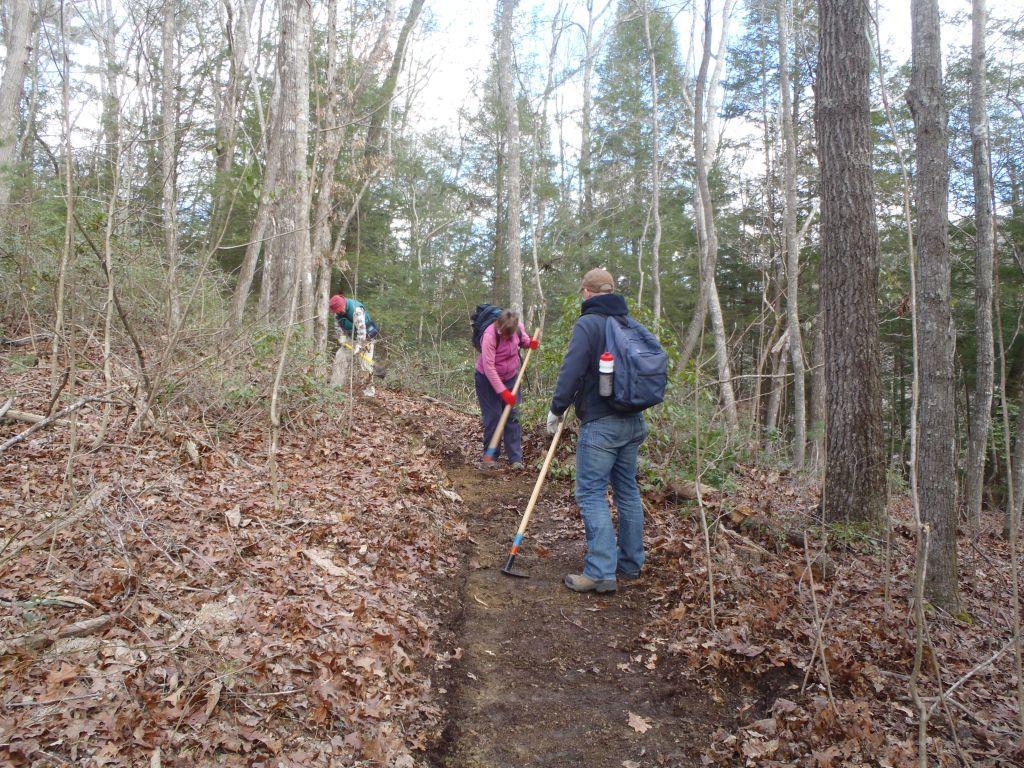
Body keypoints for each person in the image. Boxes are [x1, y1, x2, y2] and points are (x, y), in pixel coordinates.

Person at [547, 268, 648, 594]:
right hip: (633, 421)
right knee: (627, 491)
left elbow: (571, 369)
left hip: (601, 425)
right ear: (612, 291)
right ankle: (630, 564)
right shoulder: (630, 324)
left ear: (587, 293)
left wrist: (557, 408)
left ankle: (601, 571)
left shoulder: (588, 324)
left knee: (591, 493)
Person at [475, 309, 538, 469]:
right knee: (494, 417)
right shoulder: (490, 336)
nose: (506, 338)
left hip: (511, 377)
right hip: (487, 380)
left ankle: (515, 458)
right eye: (504, 334)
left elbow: (522, 341)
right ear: (499, 326)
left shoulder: (517, 328)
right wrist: (502, 391)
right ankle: (490, 457)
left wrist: (530, 343)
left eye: (509, 336)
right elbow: (489, 368)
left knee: (513, 416)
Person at [329, 294, 378, 397]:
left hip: (366, 338)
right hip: (350, 337)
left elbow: (362, 330)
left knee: (365, 365)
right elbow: (338, 327)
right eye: (336, 311)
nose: (338, 312)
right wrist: (341, 338)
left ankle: (369, 390)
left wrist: (359, 346)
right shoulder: (337, 313)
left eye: (339, 310)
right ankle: (336, 386)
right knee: (340, 356)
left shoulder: (357, 311)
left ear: (343, 304)